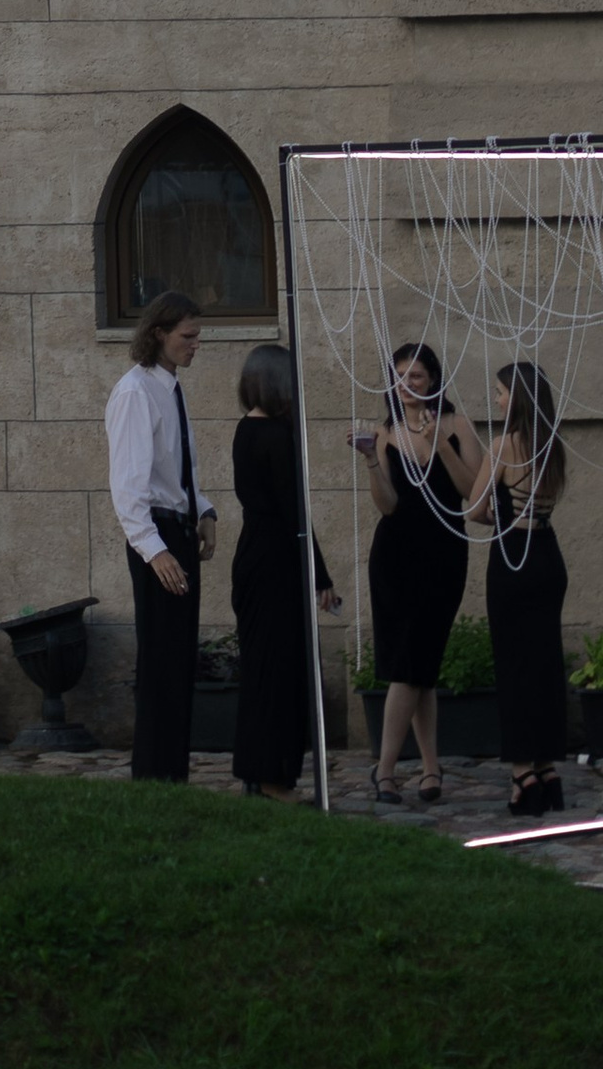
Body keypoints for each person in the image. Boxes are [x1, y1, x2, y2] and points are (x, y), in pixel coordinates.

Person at [358, 341, 480, 804]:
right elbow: (388, 506)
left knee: (419, 664)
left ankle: (386, 769)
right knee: (412, 668)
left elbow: (472, 492)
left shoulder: (457, 425)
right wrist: (371, 459)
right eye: (400, 376)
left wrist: (437, 445)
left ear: (433, 380)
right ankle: (418, 769)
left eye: (417, 376)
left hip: (444, 555)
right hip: (394, 557)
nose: (407, 385)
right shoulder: (384, 432)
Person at [105, 291, 215, 781]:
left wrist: (205, 509)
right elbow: (129, 486)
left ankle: (173, 770)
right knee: (160, 659)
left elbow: (175, 466)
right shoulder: (134, 392)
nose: (195, 345)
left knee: (178, 659)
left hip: (178, 528)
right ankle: (153, 772)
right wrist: (154, 551)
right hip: (157, 535)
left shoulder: (169, 387)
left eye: (197, 336)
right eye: (186, 337)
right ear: (159, 335)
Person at [229, 343, 340, 798]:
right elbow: (295, 514)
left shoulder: (245, 430)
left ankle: (259, 770)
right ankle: (274, 777)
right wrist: (322, 576)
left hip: (254, 555)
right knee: (280, 668)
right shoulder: (277, 436)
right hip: (277, 560)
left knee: (262, 667)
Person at [471, 359, 570, 817]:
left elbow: (474, 508)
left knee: (513, 665)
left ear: (517, 397)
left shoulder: (504, 445)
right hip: (548, 556)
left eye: (499, 391)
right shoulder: (553, 446)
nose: (495, 399)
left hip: (513, 557)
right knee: (545, 662)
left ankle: (521, 775)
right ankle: (548, 767)